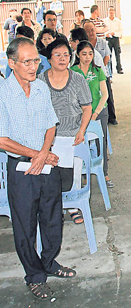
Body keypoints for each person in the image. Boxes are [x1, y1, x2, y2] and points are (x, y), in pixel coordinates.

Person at [0, 37, 76, 300]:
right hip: (22, 169)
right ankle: (34, 276)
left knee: (53, 218)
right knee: (25, 226)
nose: (34, 66)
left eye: (36, 60)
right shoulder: (3, 94)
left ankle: (49, 262)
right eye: (27, 61)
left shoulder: (41, 88)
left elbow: (51, 124)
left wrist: (44, 153)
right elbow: (2, 139)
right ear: (12, 63)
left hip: (44, 164)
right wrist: (36, 155)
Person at [38, 38, 92, 225]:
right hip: (48, 138)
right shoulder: (40, 80)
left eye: (66, 55)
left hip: (72, 135)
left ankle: (73, 206)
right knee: (50, 176)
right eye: (58, 55)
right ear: (50, 58)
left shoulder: (77, 79)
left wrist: (82, 131)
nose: (63, 59)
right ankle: (55, 208)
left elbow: (87, 107)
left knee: (72, 175)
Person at [70, 41, 112, 187]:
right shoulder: (73, 71)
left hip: (99, 112)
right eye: (84, 54)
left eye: (90, 54)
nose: (88, 57)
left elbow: (105, 95)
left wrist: (95, 114)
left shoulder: (98, 71)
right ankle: (84, 175)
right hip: (79, 115)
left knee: (101, 142)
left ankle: (105, 174)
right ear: (77, 55)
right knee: (82, 144)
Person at [83, 21, 117, 127]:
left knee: (108, 96)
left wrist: (98, 71)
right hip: (89, 76)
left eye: (92, 30)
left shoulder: (102, 42)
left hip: (102, 73)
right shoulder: (84, 45)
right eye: (87, 31)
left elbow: (107, 56)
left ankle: (112, 117)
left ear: (95, 30)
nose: (91, 33)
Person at [103, 5, 123, 74]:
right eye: (110, 10)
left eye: (112, 10)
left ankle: (119, 68)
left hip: (115, 38)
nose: (111, 12)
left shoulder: (118, 21)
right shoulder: (104, 21)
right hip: (108, 39)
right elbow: (103, 30)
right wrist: (106, 34)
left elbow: (120, 31)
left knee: (117, 54)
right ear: (107, 12)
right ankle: (109, 69)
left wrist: (114, 33)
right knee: (109, 54)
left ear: (114, 11)